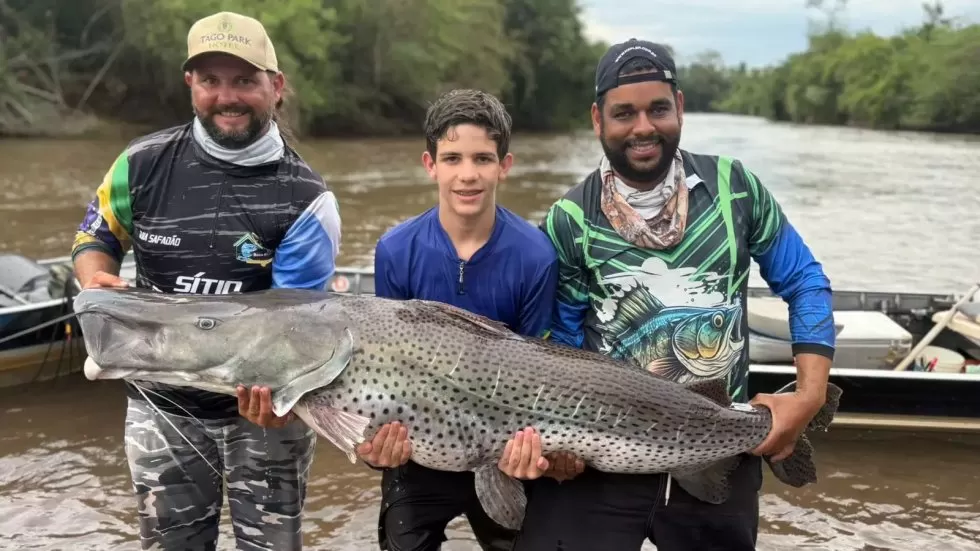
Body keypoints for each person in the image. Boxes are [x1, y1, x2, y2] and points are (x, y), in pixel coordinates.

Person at [508, 39, 838, 551]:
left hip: (717, 451)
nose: (643, 127)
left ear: (679, 107)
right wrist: (559, 448)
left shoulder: (737, 189)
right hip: (598, 465)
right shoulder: (570, 220)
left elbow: (804, 282)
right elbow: (561, 346)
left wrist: (810, 394)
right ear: (598, 119)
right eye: (624, 113)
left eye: (658, 108)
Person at [70, 11, 341, 551]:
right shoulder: (139, 164)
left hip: (264, 414)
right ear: (190, 83)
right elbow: (94, 239)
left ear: (276, 87)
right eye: (211, 80)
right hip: (160, 405)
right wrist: (96, 278)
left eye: (245, 80)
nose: (227, 96)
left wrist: (278, 396)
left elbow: (297, 327)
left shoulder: (307, 199)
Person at [357, 88, 581, 551]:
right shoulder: (395, 252)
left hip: (504, 447)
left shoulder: (535, 255)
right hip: (418, 449)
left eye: (482, 158)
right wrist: (374, 446)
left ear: (505, 165)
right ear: (430, 164)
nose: (467, 175)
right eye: (452, 158)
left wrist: (534, 451)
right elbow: (388, 370)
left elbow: (537, 369)